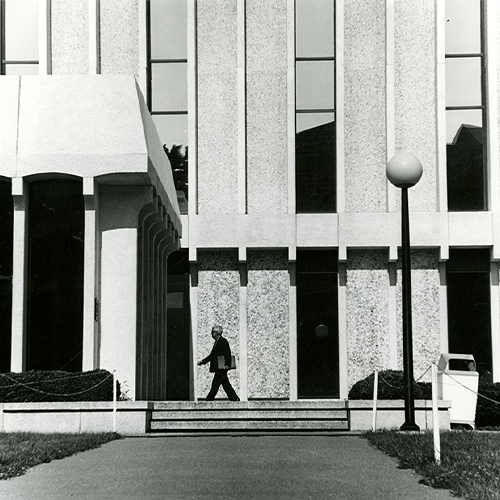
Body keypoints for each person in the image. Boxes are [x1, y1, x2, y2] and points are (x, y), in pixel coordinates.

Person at [197, 325, 240, 401]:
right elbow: (212, 355)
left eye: (212, 332)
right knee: (225, 384)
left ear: (216, 333)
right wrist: (203, 361)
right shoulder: (217, 342)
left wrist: (227, 365)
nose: (211, 334)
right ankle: (234, 398)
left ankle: (209, 399)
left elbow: (227, 353)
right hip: (219, 367)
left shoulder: (223, 341)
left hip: (222, 367)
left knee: (215, 384)